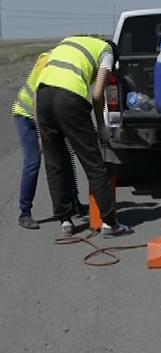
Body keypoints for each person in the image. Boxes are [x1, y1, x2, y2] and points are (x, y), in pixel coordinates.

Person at [36, 36, 131, 237]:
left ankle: (65, 221)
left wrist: (39, 129)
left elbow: (45, 79)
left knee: (55, 163)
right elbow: (97, 94)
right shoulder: (106, 50)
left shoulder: (69, 42)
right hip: (68, 99)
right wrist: (101, 126)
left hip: (43, 97)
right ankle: (109, 223)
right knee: (93, 162)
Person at [12, 51, 86, 230]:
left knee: (65, 155)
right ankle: (25, 212)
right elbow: (37, 99)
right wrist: (40, 134)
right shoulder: (48, 61)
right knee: (33, 161)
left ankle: (73, 201)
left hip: (48, 113)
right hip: (26, 115)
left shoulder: (64, 63)